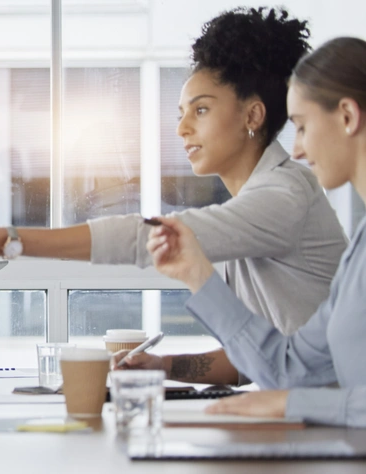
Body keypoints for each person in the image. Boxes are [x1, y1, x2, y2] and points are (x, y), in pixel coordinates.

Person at [0, 7, 345, 385]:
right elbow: (255, 358)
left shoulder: (284, 196)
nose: (182, 128)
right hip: (299, 411)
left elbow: (144, 236)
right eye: (181, 112)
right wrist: (163, 366)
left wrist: (5, 239)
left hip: (335, 423)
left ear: (252, 116)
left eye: (200, 110)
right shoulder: (253, 208)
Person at [146, 37, 366, 427]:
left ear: (347, 116)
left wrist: (292, 405)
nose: (296, 149)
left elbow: (293, 389)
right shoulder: (359, 251)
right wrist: (197, 274)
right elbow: (286, 370)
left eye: (301, 127)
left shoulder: (285, 193)